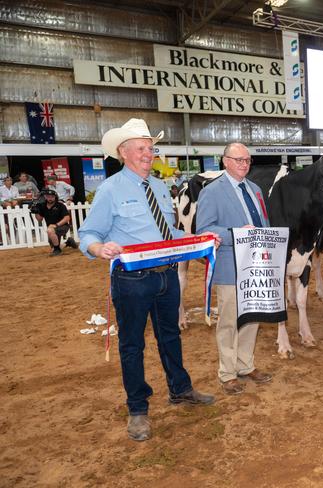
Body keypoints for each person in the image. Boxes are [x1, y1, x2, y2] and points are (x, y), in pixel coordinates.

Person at [78, 118, 217, 442]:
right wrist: (99, 248)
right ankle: (137, 408)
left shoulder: (157, 187)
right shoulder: (110, 190)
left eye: (150, 148)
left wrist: (199, 238)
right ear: (124, 152)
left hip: (166, 276)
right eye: (141, 148)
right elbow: (88, 233)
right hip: (132, 280)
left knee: (170, 337)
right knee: (132, 345)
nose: (147, 153)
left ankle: (180, 389)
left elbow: (166, 234)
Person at [196, 142, 272, 396]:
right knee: (229, 320)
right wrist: (236, 234)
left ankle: (245, 365)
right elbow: (204, 230)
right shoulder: (212, 191)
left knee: (252, 317)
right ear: (225, 161)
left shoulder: (255, 189)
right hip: (230, 265)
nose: (244, 164)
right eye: (238, 159)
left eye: (247, 160)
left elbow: (263, 223)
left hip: (256, 264)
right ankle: (227, 373)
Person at [31, 189, 77, 255]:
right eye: (48, 196)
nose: (50, 198)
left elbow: (67, 218)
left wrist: (56, 225)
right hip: (51, 230)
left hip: (63, 226)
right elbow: (39, 219)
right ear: (45, 197)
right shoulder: (42, 206)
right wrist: (36, 212)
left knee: (50, 230)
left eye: (52, 197)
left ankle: (57, 250)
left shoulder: (60, 205)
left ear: (55, 197)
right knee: (54, 249)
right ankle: (67, 242)